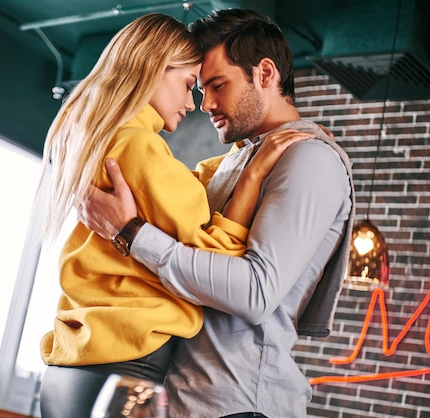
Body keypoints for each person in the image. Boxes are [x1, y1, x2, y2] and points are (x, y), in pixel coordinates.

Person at [77, 8, 356, 418]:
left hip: (236, 404)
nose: (204, 103)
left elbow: (254, 293)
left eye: (217, 85)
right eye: (198, 86)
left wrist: (131, 233)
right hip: (179, 398)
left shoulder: (309, 160)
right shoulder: (237, 162)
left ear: (265, 73)